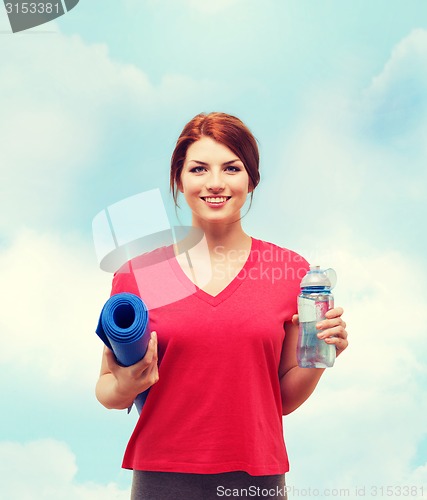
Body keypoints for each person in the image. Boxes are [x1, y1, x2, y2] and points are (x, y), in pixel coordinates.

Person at [95, 112, 348, 500]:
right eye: (198, 169)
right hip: (163, 478)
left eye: (231, 168)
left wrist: (320, 354)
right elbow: (107, 390)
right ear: (179, 180)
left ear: (251, 179)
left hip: (254, 480)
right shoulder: (146, 275)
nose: (215, 183)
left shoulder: (286, 272)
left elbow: (279, 401)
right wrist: (127, 384)